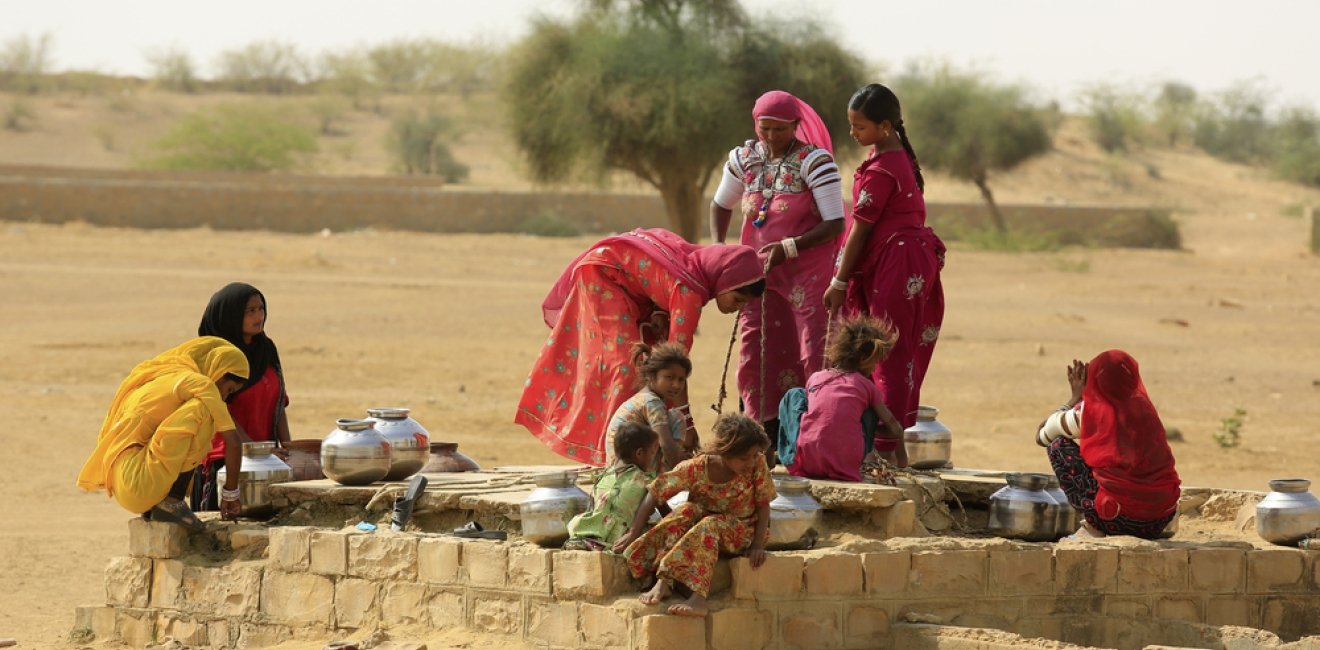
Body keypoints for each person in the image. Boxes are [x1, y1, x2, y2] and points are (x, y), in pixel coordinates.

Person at [516, 227, 765, 466]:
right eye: (737, 299)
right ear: (723, 280)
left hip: (630, 289)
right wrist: (687, 424)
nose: (738, 308)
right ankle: (615, 459)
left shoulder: (694, 270)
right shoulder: (689, 293)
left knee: (651, 366)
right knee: (629, 369)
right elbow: (673, 364)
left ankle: (645, 451)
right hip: (603, 276)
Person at [709, 90, 845, 456]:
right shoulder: (744, 159)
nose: (771, 137)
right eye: (764, 128)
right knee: (756, 351)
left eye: (780, 130)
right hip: (760, 275)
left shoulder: (815, 163)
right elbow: (721, 204)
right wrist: (720, 249)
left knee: (812, 352)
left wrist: (790, 247)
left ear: (796, 126)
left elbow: (834, 222)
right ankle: (758, 439)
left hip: (806, 275)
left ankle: (814, 441)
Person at [824, 83, 946, 432]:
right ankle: (888, 438)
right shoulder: (899, 158)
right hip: (908, 262)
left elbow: (861, 231)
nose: (853, 132)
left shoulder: (881, 170)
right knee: (896, 351)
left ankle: (886, 444)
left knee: (883, 352)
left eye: (859, 126)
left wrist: (839, 281)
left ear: (885, 126)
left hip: (894, 266)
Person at [76, 337, 250, 530]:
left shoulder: (168, 378)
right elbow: (233, 441)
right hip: (139, 482)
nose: (225, 397)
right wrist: (230, 494)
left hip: (127, 482)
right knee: (204, 412)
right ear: (219, 371)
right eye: (228, 389)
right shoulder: (200, 384)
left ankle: (159, 505)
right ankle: (172, 502)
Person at [614, 414, 775, 618]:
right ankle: (660, 579)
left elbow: (763, 506)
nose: (751, 462)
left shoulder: (757, 464)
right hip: (704, 530)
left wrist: (758, 545)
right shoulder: (697, 468)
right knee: (686, 510)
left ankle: (697, 598)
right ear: (725, 451)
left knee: (710, 523)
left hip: (743, 532)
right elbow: (656, 491)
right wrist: (633, 531)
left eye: (754, 455)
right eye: (744, 458)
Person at [1036, 350, 1181, 539]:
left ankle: (1095, 526)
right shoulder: (1146, 411)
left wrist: (1075, 397)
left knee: (1057, 445)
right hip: (1160, 520)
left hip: (1115, 518)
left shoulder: (1087, 413)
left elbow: (1042, 436)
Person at [193, 282, 291, 511]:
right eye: (251, 311)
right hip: (224, 463)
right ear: (231, 315)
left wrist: (290, 449)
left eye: (261, 309)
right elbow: (220, 410)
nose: (259, 316)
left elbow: (278, 403)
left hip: (266, 463)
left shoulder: (266, 349)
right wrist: (255, 450)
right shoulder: (215, 355)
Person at [787, 315, 906, 482]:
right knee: (870, 410)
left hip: (809, 462)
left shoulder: (815, 377)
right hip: (845, 464)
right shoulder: (866, 385)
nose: (873, 369)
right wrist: (902, 460)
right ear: (865, 360)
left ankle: (790, 458)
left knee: (794, 396)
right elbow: (894, 427)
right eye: (874, 363)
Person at [564, 421, 664, 551]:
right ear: (639, 454)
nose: (653, 458)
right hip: (618, 539)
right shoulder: (644, 480)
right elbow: (661, 504)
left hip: (589, 532)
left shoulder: (604, 476)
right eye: (652, 453)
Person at [602, 343, 697, 471]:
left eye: (681, 379)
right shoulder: (652, 402)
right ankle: (671, 473)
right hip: (630, 471)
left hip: (617, 468)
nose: (676, 385)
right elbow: (666, 445)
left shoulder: (644, 397)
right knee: (677, 417)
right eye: (669, 377)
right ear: (651, 376)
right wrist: (684, 467)